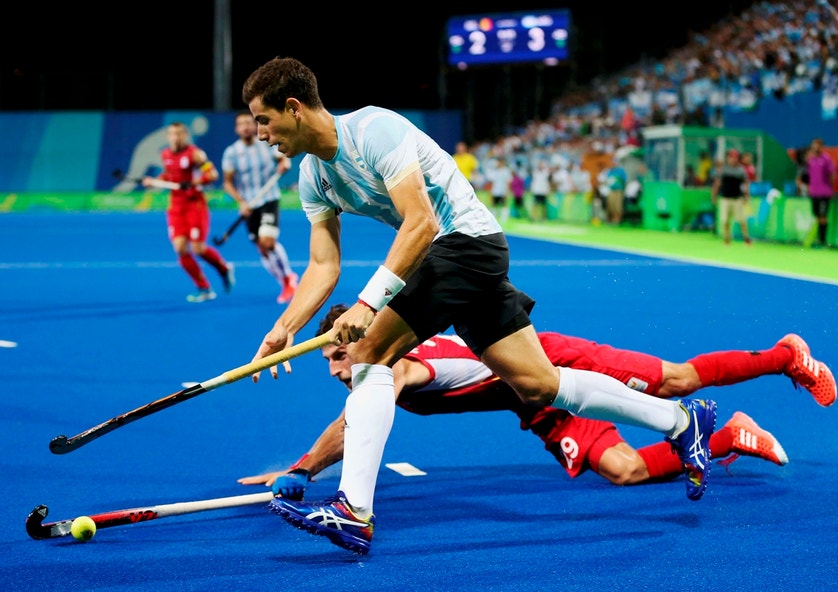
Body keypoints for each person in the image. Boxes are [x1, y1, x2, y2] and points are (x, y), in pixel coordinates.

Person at [241, 56, 717, 556]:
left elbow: (420, 221)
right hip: (447, 259)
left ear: (293, 108)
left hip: (464, 242)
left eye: (264, 120)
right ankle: (682, 421)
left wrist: (368, 304)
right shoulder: (313, 177)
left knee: (370, 357)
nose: (262, 134)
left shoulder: (374, 130)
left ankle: (353, 512)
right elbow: (323, 266)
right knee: (538, 384)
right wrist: (282, 329)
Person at [238, 304, 837, 497]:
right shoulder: (386, 365)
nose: (336, 369)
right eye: (328, 363)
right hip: (529, 402)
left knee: (677, 380)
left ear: (368, 347)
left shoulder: (398, 369)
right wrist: (303, 468)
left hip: (550, 361)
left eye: (340, 356)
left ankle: (785, 356)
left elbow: (355, 422)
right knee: (624, 471)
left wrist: (301, 470)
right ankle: (728, 435)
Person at [142, 121, 235, 303]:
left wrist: (194, 183)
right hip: (176, 206)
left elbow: (212, 175)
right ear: (167, 137)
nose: (175, 138)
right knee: (180, 248)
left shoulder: (195, 154)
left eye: (179, 134)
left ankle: (224, 269)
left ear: (185, 136)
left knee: (198, 248)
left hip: (195, 205)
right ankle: (204, 288)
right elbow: (169, 175)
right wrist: (154, 181)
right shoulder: (166, 154)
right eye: (172, 134)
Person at [221, 111, 299, 304]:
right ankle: (284, 281)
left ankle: (289, 278)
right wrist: (241, 202)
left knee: (268, 242)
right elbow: (227, 183)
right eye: (242, 124)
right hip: (249, 204)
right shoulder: (232, 152)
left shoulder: (266, 143)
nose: (246, 127)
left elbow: (283, 160)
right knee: (261, 249)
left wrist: (284, 164)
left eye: (250, 122)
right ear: (236, 129)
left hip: (269, 199)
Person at [797, 137, 836, 248]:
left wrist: (831, 189)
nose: (816, 147)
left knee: (823, 216)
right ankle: (818, 239)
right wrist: (808, 186)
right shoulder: (810, 160)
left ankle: (823, 241)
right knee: (817, 216)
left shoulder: (826, 159)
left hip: (825, 193)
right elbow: (807, 175)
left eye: (818, 145)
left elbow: (832, 175)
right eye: (814, 145)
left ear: (821, 147)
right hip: (814, 193)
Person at [711, 149, 752, 246]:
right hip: (725, 198)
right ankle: (727, 238)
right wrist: (714, 196)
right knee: (725, 220)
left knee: (742, 219)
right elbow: (717, 183)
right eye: (731, 157)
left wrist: (747, 195)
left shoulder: (741, 170)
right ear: (728, 158)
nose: (733, 159)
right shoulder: (723, 170)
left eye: (735, 157)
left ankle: (746, 238)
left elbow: (746, 183)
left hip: (737, 199)